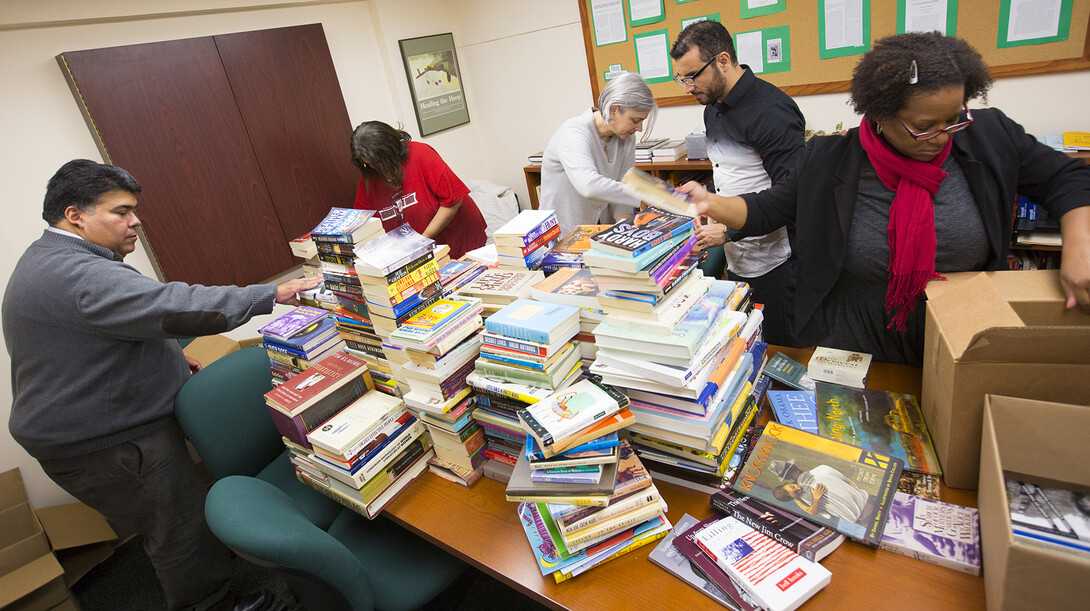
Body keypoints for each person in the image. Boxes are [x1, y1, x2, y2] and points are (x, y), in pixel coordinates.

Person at [3, 159, 322, 611]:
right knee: (177, 529)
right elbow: (172, 306)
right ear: (75, 215)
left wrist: (169, 358)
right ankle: (212, 604)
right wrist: (271, 294)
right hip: (108, 444)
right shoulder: (79, 274)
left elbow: (108, 333)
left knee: (177, 520)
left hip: (90, 431)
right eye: (121, 211)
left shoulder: (50, 258)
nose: (135, 220)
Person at [680, 32, 1090, 365]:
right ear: (879, 115)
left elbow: (1067, 177)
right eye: (924, 126)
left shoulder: (991, 136)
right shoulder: (831, 159)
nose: (943, 136)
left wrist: (1081, 243)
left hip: (963, 336)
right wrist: (710, 202)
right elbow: (769, 208)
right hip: (853, 339)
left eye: (954, 118)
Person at [670, 20, 806, 346]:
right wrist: (707, 208)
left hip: (776, 263)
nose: (686, 87)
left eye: (692, 76)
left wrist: (729, 230)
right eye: (680, 78)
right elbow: (732, 177)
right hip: (738, 260)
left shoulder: (773, 111)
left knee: (779, 356)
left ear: (723, 61)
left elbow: (793, 197)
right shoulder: (712, 108)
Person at [538, 71, 657, 232]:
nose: (639, 128)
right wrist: (641, 195)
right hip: (562, 236)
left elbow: (621, 189)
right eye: (635, 120)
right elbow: (588, 185)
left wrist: (626, 229)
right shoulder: (574, 133)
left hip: (600, 234)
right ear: (614, 110)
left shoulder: (627, 138)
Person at [350, 121, 486, 259]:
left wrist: (422, 240)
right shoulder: (370, 177)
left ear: (391, 149)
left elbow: (453, 201)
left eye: (380, 162)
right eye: (369, 164)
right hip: (417, 253)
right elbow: (362, 221)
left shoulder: (421, 154)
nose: (376, 168)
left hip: (458, 240)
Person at [769, 459, 870, 524]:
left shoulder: (800, 498)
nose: (798, 488)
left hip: (859, 517)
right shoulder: (822, 468)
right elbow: (848, 481)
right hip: (867, 501)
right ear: (794, 465)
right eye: (795, 492)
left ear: (785, 479)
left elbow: (813, 512)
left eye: (792, 486)